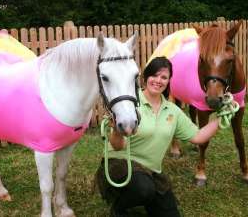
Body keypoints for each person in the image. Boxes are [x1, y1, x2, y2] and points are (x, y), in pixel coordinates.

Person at [95, 56, 234, 217]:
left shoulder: (172, 111)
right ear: (145, 77)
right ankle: (118, 208)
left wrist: (222, 117)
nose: (158, 80)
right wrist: (117, 131)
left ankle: (143, 194)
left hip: (150, 172)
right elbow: (118, 146)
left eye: (164, 77)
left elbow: (198, 136)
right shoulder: (128, 104)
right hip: (119, 165)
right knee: (144, 188)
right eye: (154, 75)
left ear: (168, 81)